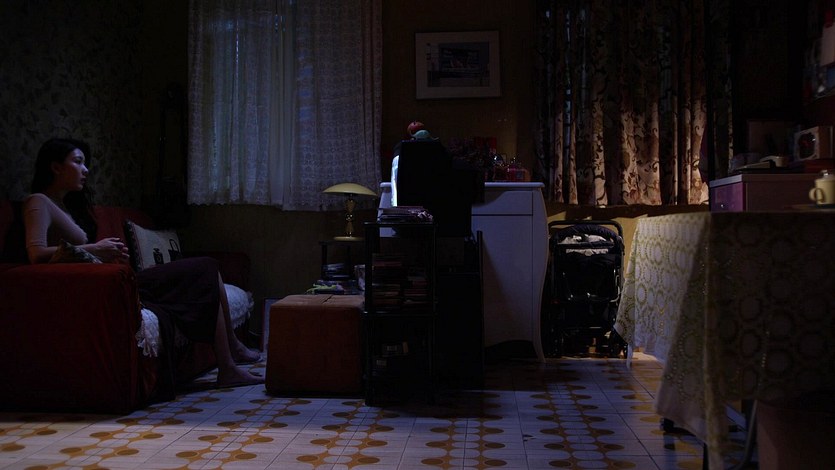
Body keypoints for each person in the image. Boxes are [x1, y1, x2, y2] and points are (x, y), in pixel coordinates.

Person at [23, 137, 262, 396]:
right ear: (56, 167)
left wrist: (106, 256)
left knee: (208, 270)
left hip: (114, 279)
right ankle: (230, 362)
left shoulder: (65, 206)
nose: (86, 170)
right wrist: (95, 249)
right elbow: (36, 254)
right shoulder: (38, 202)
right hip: (104, 288)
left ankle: (230, 358)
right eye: (78, 162)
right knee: (205, 267)